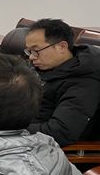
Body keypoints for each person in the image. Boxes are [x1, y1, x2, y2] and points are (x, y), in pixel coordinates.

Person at [25, 18, 100, 146]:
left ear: (62, 47)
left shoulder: (84, 81)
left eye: (36, 51)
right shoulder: (44, 67)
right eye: (29, 51)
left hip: (48, 149)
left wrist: (10, 130)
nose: (31, 57)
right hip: (24, 135)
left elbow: (61, 132)